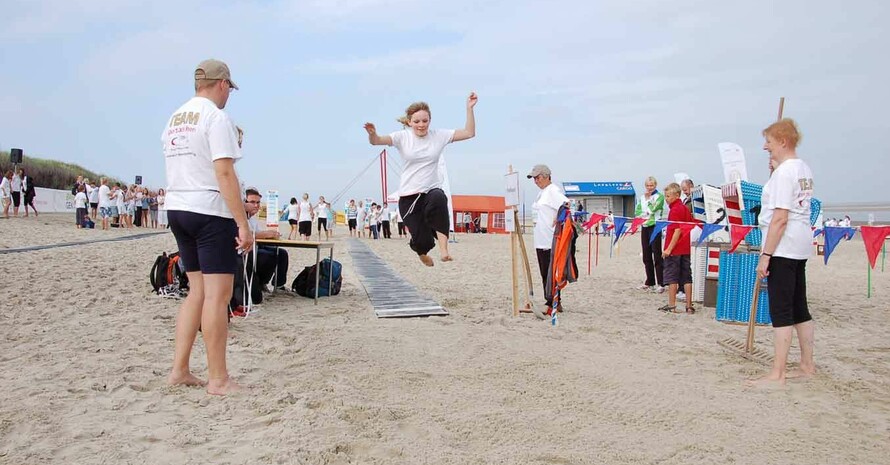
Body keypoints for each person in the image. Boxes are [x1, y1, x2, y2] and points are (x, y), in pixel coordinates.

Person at [163, 58, 251, 396]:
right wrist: (242, 223)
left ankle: (179, 369)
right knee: (218, 296)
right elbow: (224, 172)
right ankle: (218, 379)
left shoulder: (175, 118)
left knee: (196, 292)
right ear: (223, 84)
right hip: (208, 211)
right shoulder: (216, 117)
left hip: (178, 207)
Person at [363, 92, 478, 266]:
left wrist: (469, 109)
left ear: (430, 120)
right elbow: (376, 141)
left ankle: (444, 250)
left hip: (430, 190)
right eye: (417, 121)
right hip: (409, 197)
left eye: (425, 121)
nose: (421, 125)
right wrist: (372, 133)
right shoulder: (402, 137)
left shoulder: (438, 136)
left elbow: (469, 133)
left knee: (439, 198)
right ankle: (422, 252)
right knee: (422, 241)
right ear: (409, 122)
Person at [751, 118, 815, 387]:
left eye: (769, 141)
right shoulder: (802, 169)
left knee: (781, 309)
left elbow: (779, 218)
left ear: (783, 141)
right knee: (800, 306)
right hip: (799, 244)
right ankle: (806, 365)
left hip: (784, 246)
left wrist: (766, 255)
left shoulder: (785, 172)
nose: (766, 147)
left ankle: (777, 374)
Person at [528, 164, 570, 314]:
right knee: (545, 272)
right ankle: (552, 301)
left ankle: (552, 301)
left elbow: (566, 205)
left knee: (551, 273)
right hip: (540, 239)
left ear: (546, 176)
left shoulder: (553, 191)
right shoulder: (542, 193)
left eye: (538, 177)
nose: (536, 181)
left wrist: (559, 219)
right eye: (534, 178)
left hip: (549, 239)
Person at [243, 188, 289, 297]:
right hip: (245, 250)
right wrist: (266, 234)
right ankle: (260, 283)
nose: (256, 205)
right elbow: (246, 233)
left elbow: (258, 233)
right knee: (268, 256)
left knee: (282, 253)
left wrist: (271, 234)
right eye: (252, 202)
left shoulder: (253, 218)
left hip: (256, 245)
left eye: (258, 202)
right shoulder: (240, 216)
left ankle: (279, 285)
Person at [660, 183, 695, 313]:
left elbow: (677, 230)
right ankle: (689, 305)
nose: (666, 198)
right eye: (665, 196)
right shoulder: (685, 208)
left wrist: (669, 249)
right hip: (685, 248)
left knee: (672, 277)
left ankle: (672, 305)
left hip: (675, 249)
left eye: (668, 196)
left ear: (676, 195)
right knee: (687, 276)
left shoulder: (675, 210)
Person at [635, 176, 666, 293]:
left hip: (655, 226)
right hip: (645, 226)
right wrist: (644, 213)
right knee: (646, 255)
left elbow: (653, 209)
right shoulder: (642, 197)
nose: (649, 188)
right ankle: (650, 281)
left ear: (655, 185)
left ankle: (661, 282)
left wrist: (647, 210)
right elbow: (637, 211)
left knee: (657, 254)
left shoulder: (659, 197)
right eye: (647, 186)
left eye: (651, 185)